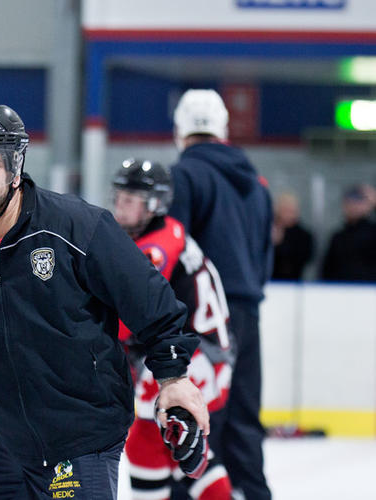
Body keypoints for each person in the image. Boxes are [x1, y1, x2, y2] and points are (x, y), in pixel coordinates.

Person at [0, 104, 208, 499]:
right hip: (3, 440)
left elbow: (153, 304)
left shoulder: (78, 227)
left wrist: (173, 379)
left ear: (15, 168)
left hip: (81, 440)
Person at [168, 89, 274, 500]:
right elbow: (265, 258)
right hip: (247, 313)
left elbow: (174, 250)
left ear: (180, 130)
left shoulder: (184, 175)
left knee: (197, 418)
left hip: (204, 317)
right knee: (244, 418)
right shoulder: (257, 183)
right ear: (223, 128)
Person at [111, 159, 234, 500]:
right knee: (166, 448)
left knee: (154, 443)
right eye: (119, 197)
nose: (120, 207)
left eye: (130, 200)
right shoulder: (167, 232)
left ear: (154, 205)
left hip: (196, 363)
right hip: (200, 356)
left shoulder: (157, 247)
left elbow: (124, 321)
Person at [320, 184, 376, 282]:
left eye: (358, 203)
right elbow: (327, 269)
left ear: (368, 206)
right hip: (341, 291)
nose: (353, 207)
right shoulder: (338, 237)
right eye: (349, 203)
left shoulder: (372, 232)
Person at [271, 192, 314, 281]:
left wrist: (280, 244)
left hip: (294, 283)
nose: (288, 214)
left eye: (291, 210)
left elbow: (304, 259)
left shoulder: (304, 235)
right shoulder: (269, 231)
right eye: (285, 210)